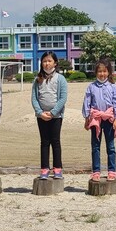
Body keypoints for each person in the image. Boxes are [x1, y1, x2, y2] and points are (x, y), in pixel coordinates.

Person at [82, 58, 116, 181]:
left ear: (108, 72)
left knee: (110, 146)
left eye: (104, 71)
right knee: (95, 146)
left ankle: (112, 170)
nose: (102, 74)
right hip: (96, 118)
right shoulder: (91, 87)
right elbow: (86, 102)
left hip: (109, 118)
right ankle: (96, 171)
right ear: (96, 72)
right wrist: (87, 117)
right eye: (99, 71)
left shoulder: (112, 86)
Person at [31, 51, 68, 180]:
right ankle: (44, 168)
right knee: (44, 142)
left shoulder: (60, 79)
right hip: (41, 116)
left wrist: (53, 113)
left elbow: (63, 98)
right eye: (44, 61)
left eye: (49, 61)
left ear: (55, 63)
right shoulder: (38, 79)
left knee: (55, 141)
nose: (47, 63)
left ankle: (57, 168)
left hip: (56, 116)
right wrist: (40, 113)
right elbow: (34, 98)